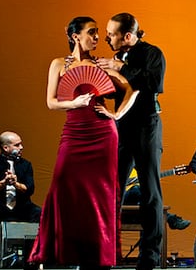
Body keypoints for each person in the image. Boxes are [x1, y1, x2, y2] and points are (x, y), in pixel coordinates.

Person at [26, 16, 132, 270]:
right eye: (92, 32)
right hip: (74, 132)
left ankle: (97, 256)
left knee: (100, 195)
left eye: (98, 33)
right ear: (75, 36)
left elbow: (130, 89)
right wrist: (74, 103)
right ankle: (53, 252)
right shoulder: (59, 64)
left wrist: (116, 115)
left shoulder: (101, 64)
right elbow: (51, 102)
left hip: (103, 133)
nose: (98, 37)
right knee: (62, 188)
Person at [96, 12, 166, 270]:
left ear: (127, 36)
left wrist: (121, 68)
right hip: (121, 126)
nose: (106, 38)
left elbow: (153, 83)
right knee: (112, 191)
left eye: (111, 34)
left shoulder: (152, 53)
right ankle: (106, 254)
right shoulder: (116, 58)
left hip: (147, 126)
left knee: (150, 193)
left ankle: (149, 259)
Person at [0, 131, 41, 256]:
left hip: (21, 206)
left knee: (38, 212)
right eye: (17, 145)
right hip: (0, 206)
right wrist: (3, 183)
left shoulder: (26, 165)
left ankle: (34, 252)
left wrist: (16, 184)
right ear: (6, 148)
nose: (21, 147)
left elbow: (29, 189)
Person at [124, 169, 191, 230]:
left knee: (147, 194)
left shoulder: (137, 170)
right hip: (120, 209)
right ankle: (171, 219)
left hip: (139, 213)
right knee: (136, 189)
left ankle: (171, 219)